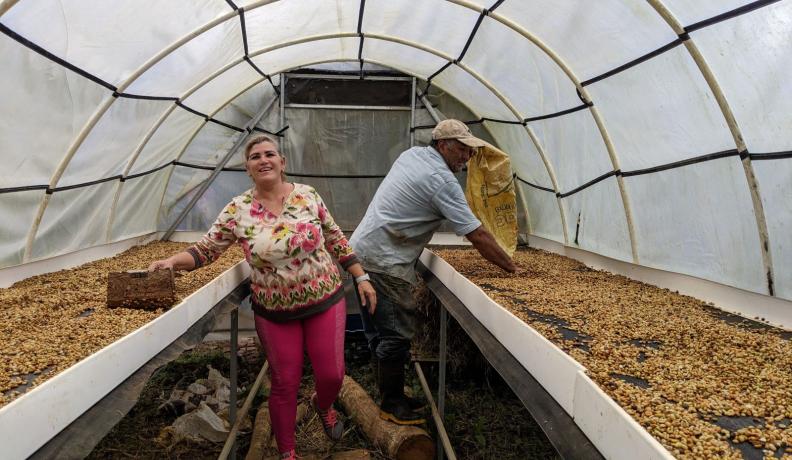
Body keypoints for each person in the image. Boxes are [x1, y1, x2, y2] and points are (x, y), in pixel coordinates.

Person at [149, 135, 377, 460]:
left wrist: (360, 276)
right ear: (248, 169)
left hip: (323, 299)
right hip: (275, 310)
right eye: (255, 156)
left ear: (282, 163)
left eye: (270, 154)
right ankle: (287, 452)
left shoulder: (307, 196)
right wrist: (173, 262)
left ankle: (321, 404)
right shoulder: (238, 209)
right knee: (285, 382)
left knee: (332, 375)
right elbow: (206, 250)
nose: (263, 159)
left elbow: (335, 236)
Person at [349, 119, 517, 425]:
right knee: (397, 333)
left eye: (470, 151)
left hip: (362, 252)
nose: (467, 158)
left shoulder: (412, 155)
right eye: (463, 150)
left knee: (379, 330)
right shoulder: (441, 180)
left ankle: (392, 392)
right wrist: (511, 266)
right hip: (383, 262)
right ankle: (391, 404)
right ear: (443, 146)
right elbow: (476, 234)